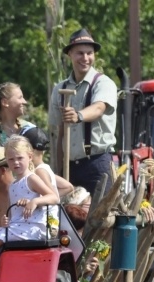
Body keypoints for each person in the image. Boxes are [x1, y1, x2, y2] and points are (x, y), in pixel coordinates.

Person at [0, 135, 58, 282]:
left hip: (33, 226)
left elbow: (53, 197)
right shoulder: (14, 185)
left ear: (29, 156)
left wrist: (35, 201)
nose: (16, 163)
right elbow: (12, 212)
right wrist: (5, 221)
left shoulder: (32, 178)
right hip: (18, 225)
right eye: (11, 159)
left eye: (20, 158)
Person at [48, 28, 118, 197]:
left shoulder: (103, 83)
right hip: (70, 167)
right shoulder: (60, 88)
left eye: (89, 53)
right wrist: (57, 169)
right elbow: (59, 134)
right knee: (70, 219)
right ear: (70, 54)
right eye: (80, 53)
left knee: (100, 219)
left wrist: (78, 116)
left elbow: (99, 108)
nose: (85, 58)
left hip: (97, 163)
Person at [21, 126, 73, 236]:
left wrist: (35, 201)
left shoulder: (39, 171)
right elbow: (68, 187)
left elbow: (54, 197)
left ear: (30, 151)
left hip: (46, 221)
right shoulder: (45, 168)